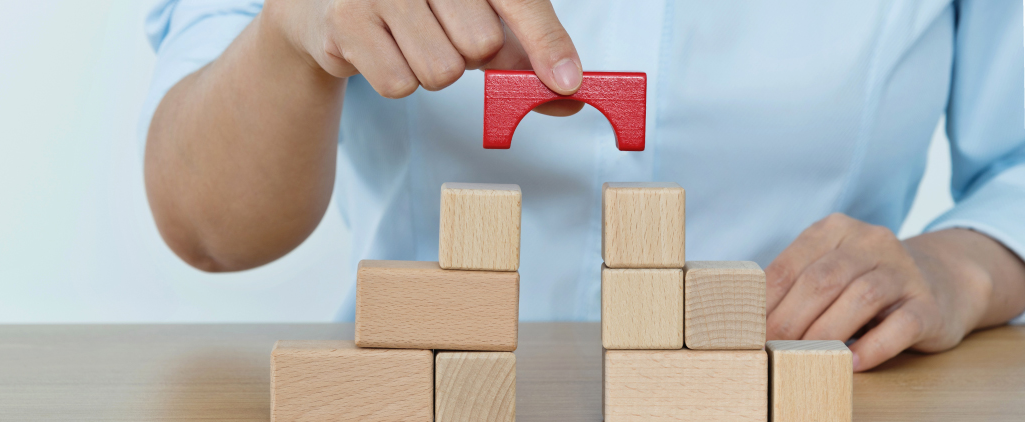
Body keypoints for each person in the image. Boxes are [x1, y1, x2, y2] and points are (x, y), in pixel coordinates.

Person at [138, 0, 1025, 372]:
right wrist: (292, 35)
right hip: (429, 393)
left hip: (809, 391)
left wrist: (963, 265)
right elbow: (207, 224)